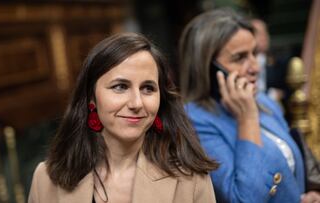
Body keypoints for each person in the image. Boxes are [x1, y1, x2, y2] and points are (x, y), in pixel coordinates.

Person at [28, 32, 218, 203]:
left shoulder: (191, 179)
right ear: (91, 99)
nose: (136, 103)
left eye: (148, 88)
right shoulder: (46, 179)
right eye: (120, 87)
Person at [179, 8, 320, 203]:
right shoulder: (193, 121)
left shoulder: (263, 101)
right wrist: (247, 119)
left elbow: (291, 175)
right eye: (240, 58)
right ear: (208, 69)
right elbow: (243, 199)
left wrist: (310, 195)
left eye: (254, 53)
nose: (255, 67)